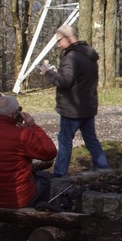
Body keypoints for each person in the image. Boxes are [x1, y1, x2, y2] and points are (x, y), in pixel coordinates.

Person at [41, 24, 109, 177]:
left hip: (72, 109)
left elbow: (64, 82)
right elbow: (78, 77)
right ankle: (104, 170)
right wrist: (60, 72)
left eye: (59, 41)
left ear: (69, 38)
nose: (58, 44)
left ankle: (59, 175)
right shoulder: (88, 54)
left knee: (65, 142)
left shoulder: (71, 56)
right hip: (87, 106)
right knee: (91, 139)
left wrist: (48, 73)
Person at [0, 96, 57, 208]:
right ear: (15, 114)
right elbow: (50, 152)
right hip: (17, 199)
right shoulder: (23, 134)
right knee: (44, 178)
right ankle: (38, 213)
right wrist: (33, 127)